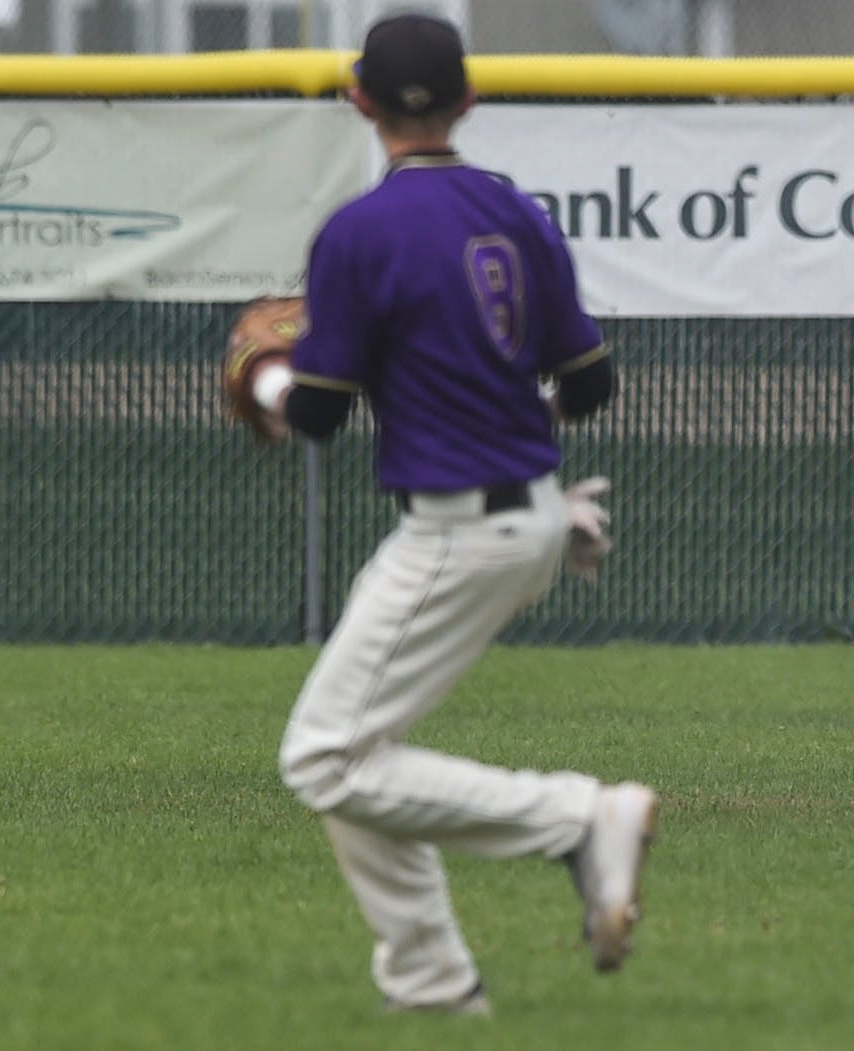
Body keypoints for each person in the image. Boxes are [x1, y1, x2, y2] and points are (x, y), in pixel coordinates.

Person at [253, 14, 658, 1014]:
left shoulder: (357, 231)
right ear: (470, 101)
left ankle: (577, 819)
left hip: (460, 528)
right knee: (359, 749)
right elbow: (592, 384)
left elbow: (313, 414)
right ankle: (430, 979)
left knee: (321, 754)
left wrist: (262, 376)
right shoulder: (518, 212)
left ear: (358, 101)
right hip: (526, 508)